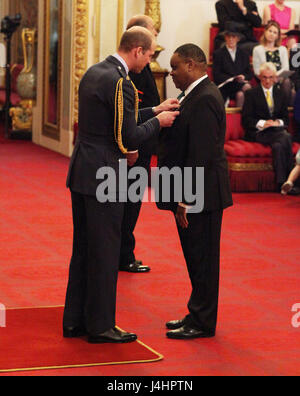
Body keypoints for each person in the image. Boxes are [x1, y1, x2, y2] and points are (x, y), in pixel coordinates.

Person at [63, 27, 180, 344]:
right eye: (152, 53)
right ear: (138, 50)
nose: (152, 60)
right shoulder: (121, 82)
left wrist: (153, 110)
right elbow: (127, 135)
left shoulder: (95, 71)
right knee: (104, 251)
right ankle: (101, 326)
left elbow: (116, 119)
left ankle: (75, 320)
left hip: (83, 169)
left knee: (84, 248)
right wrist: (159, 122)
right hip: (106, 175)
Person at [157, 44, 233, 340]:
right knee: (195, 256)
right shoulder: (195, 95)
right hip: (196, 194)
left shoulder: (204, 98)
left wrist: (186, 200)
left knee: (203, 258)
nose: (171, 73)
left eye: (175, 67)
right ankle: (196, 311)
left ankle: (203, 322)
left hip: (202, 196)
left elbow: (200, 155)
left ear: (190, 65)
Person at [119, 15, 161, 274]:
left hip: (142, 146)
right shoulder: (132, 70)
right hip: (133, 148)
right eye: (153, 33)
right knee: (127, 205)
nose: (156, 38)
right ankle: (124, 256)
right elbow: (130, 112)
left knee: (131, 204)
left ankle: (124, 252)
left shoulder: (142, 67)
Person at [242, 62, 294, 192]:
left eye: (270, 77)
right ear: (260, 77)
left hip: (276, 131)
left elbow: (285, 119)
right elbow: (246, 120)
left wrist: (277, 123)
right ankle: (292, 181)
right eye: (264, 77)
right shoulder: (251, 93)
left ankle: (282, 183)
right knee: (286, 136)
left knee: (278, 145)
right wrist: (263, 123)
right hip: (259, 132)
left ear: (275, 78)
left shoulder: (280, 93)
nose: (267, 81)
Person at [252, 20, 295, 105]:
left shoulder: (282, 49)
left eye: (275, 32)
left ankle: (283, 110)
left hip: (280, 80)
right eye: (270, 31)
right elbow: (257, 71)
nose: (272, 34)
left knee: (287, 82)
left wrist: (275, 77)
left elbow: (286, 68)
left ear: (278, 36)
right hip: (265, 80)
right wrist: (270, 78)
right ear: (265, 32)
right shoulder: (257, 49)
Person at [213, 26, 252, 107]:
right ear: (225, 38)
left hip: (240, 85)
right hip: (226, 87)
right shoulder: (218, 54)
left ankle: (244, 117)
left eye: (233, 36)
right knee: (247, 87)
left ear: (238, 38)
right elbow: (216, 75)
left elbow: (249, 73)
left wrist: (243, 77)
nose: (231, 39)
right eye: (228, 36)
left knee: (240, 95)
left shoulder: (244, 54)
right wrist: (232, 79)